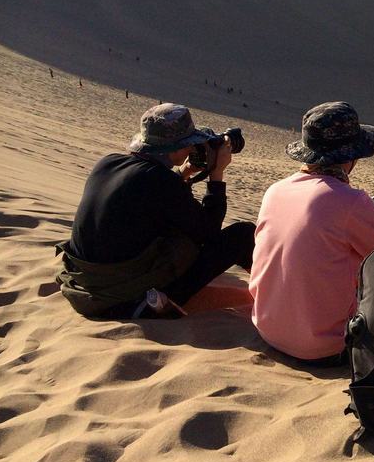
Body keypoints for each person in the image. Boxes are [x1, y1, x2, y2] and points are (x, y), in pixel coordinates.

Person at [250, 102, 374, 365]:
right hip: (324, 347)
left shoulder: (275, 191)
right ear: (349, 157)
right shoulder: (350, 201)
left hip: (267, 330)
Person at [57, 103, 254, 318]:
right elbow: (210, 233)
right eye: (189, 144)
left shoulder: (108, 162)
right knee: (242, 235)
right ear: (177, 147)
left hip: (84, 283)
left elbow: (149, 200)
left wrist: (184, 173)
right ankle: (278, 297)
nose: (191, 149)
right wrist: (217, 175)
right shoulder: (161, 182)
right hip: (121, 298)